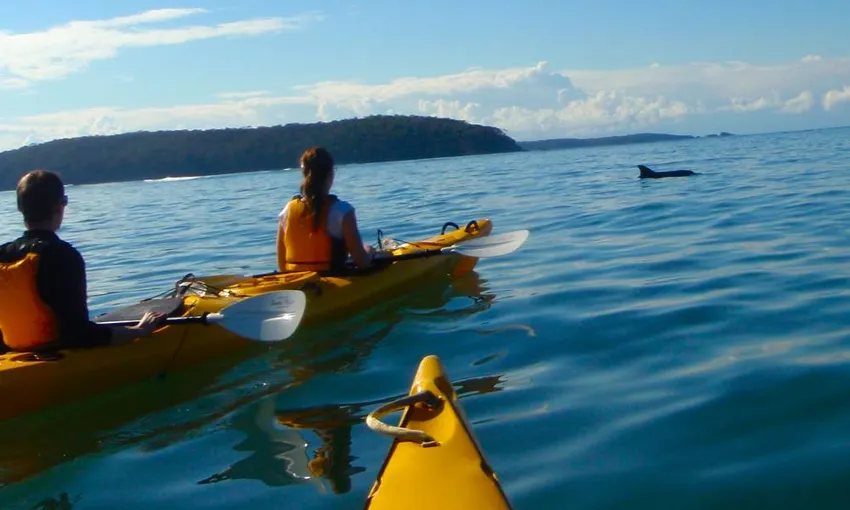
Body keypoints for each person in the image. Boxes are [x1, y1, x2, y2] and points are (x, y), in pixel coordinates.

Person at [0, 170, 164, 353]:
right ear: (61, 204)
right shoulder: (62, 256)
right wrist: (138, 331)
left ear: (20, 207)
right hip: (56, 363)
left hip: (11, 360)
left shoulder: (2, 254)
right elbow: (79, 336)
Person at [276, 147, 375, 273]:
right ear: (330, 174)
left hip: (295, 281)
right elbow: (362, 262)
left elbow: (282, 266)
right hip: (332, 281)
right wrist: (370, 251)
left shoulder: (287, 210)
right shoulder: (343, 210)